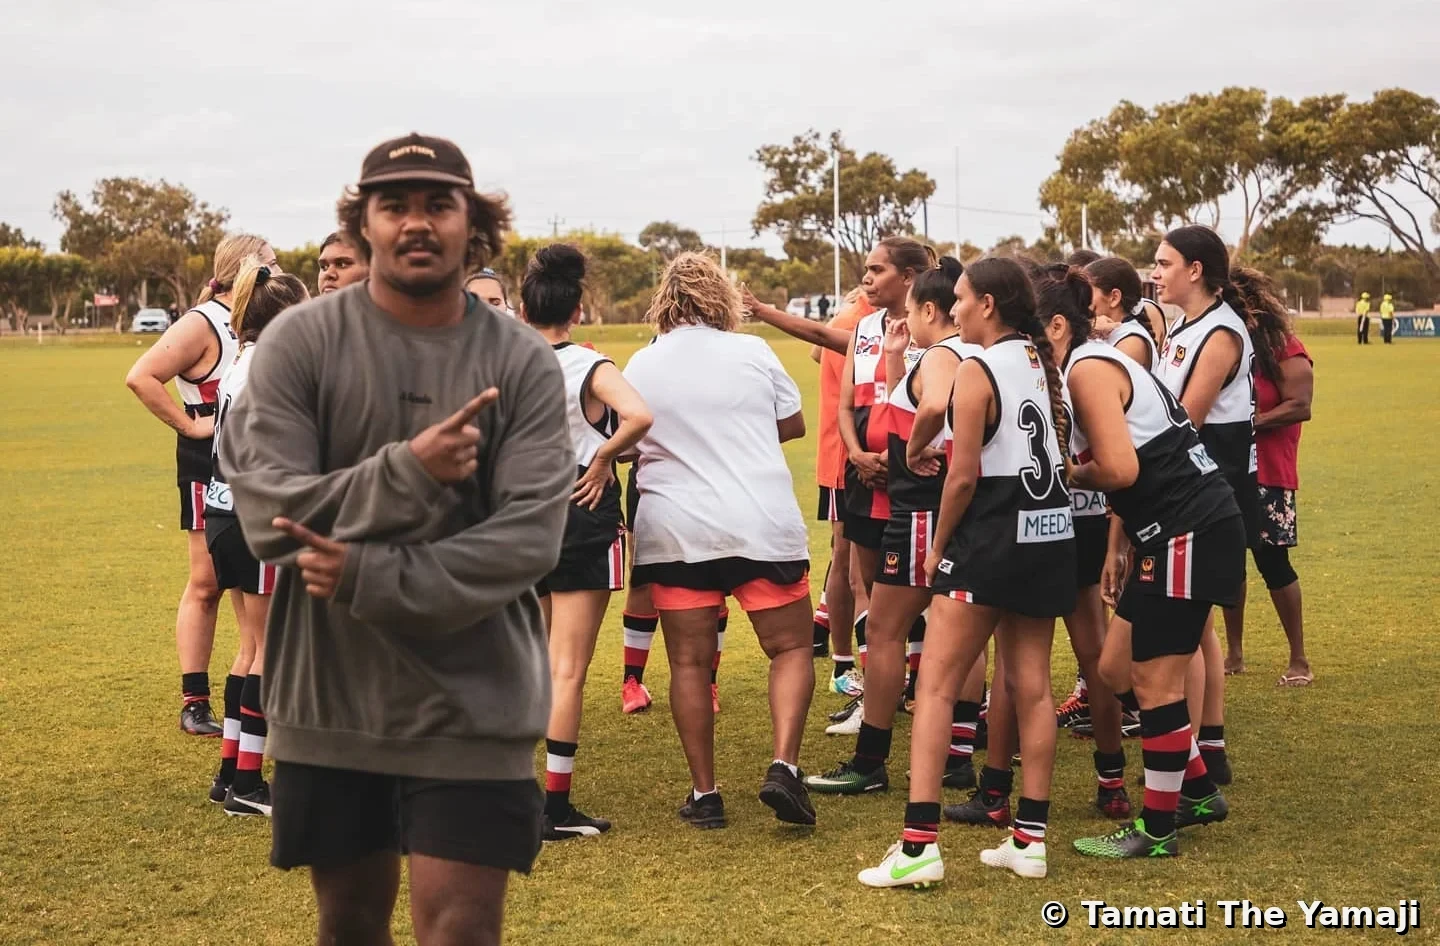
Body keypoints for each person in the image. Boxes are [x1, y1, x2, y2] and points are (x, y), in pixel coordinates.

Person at [223, 132, 574, 946]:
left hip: (475, 701)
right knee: (347, 924)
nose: (417, 222)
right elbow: (269, 515)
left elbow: (527, 542)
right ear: (364, 223)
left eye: (437, 204)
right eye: (395, 205)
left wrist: (365, 574)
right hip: (333, 697)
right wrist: (410, 471)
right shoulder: (299, 344)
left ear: (472, 222)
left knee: (461, 931)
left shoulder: (518, 361)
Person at [859, 257, 1076, 888]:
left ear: (987, 305)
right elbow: (935, 419)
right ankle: (1029, 841)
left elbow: (964, 476)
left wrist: (938, 547)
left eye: (960, 299)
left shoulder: (978, 368)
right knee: (1031, 685)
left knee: (936, 683)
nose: (952, 309)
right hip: (1050, 527)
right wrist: (921, 438)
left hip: (995, 529)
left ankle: (919, 846)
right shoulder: (1037, 358)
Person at [1044, 267, 1243, 860]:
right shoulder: (1091, 362)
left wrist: (1071, 474)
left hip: (1190, 532)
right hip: (1170, 532)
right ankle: (1200, 791)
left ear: (1057, 327)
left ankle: (1157, 832)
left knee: (1155, 683)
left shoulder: (1086, 369)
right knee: (1112, 668)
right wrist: (1119, 543)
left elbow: (1122, 470)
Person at [623, 252, 817, 831]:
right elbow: (793, 424)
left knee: (688, 661)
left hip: (677, 529)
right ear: (720, 298)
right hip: (761, 521)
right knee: (789, 650)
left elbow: (628, 443)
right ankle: (784, 765)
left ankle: (705, 794)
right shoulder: (753, 352)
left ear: (665, 302)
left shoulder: (642, 362)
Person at [807, 257, 976, 797]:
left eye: (909, 312)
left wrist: (918, 443)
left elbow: (911, 414)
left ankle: (871, 760)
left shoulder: (943, 355)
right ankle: (960, 756)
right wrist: (896, 361)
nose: (902, 322)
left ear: (931, 308)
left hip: (923, 510)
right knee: (962, 631)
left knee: (883, 631)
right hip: (957, 508)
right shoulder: (973, 353)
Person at [520, 244, 654, 840]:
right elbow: (640, 417)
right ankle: (555, 808)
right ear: (576, 310)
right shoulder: (592, 366)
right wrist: (602, 456)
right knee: (567, 668)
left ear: (524, 308)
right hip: (581, 513)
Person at [125, 232, 279, 736]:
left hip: (250, 462)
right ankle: (195, 700)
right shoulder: (202, 321)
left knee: (244, 581)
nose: (275, 273)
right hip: (206, 460)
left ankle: (250, 692)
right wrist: (192, 425)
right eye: (270, 264)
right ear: (248, 268)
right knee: (207, 580)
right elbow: (142, 375)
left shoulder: (255, 317)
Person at [1149, 225, 1256, 786]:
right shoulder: (1184, 324)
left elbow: (1184, 418)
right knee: (1198, 626)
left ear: (1195, 271)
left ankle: (1191, 757)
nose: (1155, 272)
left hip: (1203, 490)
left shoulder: (1220, 331)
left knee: (1184, 628)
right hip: (1186, 487)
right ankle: (1207, 747)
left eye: (1164, 263)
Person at [203, 258, 310, 815]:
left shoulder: (242, 362)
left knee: (250, 647)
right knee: (270, 651)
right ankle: (248, 784)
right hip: (256, 521)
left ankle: (230, 773)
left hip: (222, 516)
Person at [1223, 267, 1315, 686]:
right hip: (1228, 467)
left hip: (1269, 473)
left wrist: (1249, 422)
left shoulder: (1285, 348)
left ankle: (1299, 660)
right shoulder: (1226, 346)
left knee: (1272, 563)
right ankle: (1235, 654)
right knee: (1229, 565)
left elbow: (1300, 405)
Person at [1087, 257, 1166, 370]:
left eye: (1087, 292)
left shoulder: (1131, 342)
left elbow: (1095, 383)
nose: (1082, 299)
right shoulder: (1104, 331)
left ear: (1114, 298)